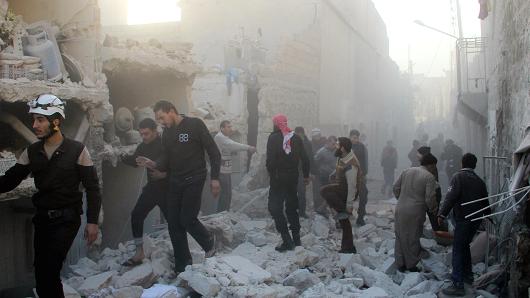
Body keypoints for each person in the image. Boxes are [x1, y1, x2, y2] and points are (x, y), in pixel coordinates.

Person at [0, 94, 101, 297]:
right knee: (42, 272)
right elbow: (10, 180)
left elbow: (92, 187)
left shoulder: (77, 150)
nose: (35, 125)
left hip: (67, 219)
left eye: (40, 120)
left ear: (56, 122)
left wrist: (92, 222)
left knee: (49, 270)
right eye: (34, 119)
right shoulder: (32, 151)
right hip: (42, 219)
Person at [138, 100, 221, 274]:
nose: (160, 122)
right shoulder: (167, 133)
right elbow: (166, 158)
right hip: (176, 181)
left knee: (187, 218)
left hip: (195, 178)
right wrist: (154, 164)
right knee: (174, 224)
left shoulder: (195, 124)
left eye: (161, 117)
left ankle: (209, 244)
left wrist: (215, 178)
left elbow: (214, 152)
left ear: (171, 111)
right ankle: (183, 264)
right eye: (158, 119)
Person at [438, 153, 490, 296]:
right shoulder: (480, 181)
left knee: (458, 249)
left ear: (462, 163)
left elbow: (451, 197)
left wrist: (442, 214)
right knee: (465, 245)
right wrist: (489, 218)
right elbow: (485, 202)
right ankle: (468, 276)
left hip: (463, 219)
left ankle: (457, 284)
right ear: (474, 165)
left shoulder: (458, 177)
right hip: (475, 221)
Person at [121, 118, 168, 266]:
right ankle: (139, 252)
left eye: (146, 134)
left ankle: (184, 253)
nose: (144, 137)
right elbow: (135, 161)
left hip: (170, 189)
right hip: (153, 189)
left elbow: (179, 166)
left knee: (175, 222)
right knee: (136, 215)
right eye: (141, 134)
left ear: (155, 131)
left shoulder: (166, 144)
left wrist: (164, 174)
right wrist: (121, 155)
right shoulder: (143, 145)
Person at [266, 114, 310, 252]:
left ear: (276, 124)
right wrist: (306, 176)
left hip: (278, 179)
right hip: (293, 179)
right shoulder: (296, 137)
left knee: (274, 207)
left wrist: (272, 175)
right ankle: (297, 240)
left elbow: (270, 161)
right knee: (292, 208)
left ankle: (287, 239)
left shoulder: (273, 138)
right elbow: (306, 159)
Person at [393, 153, 438, 272]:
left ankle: (400, 263)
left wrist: (401, 198)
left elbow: (395, 188)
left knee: (400, 235)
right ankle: (411, 264)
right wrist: (433, 209)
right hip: (416, 211)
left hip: (400, 208)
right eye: (434, 166)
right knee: (413, 236)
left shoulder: (407, 171)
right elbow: (430, 198)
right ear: (431, 165)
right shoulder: (429, 177)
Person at [320, 137, 363, 253]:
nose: (335, 146)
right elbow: (340, 166)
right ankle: (348, 247)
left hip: (347, 190)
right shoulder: (343, 156)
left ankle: (343, 211)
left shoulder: (351, 164)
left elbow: (352, 186)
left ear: (343, 148)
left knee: (326, 192)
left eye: (338, 145)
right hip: (341, 186)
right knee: (324, 190)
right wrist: (334, 173)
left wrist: (349, 205)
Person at [214, 120, 256, 212]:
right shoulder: (220, 137)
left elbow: (230, 146)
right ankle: (221, 214)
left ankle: (224, 214)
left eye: (230, 126)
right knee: (226, 194)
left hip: (226, 170)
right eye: (228, 127)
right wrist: (248, 147)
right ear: (222, 128)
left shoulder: (224, 137)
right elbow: (233, 145)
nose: (230, 129)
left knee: (227, 194)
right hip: (222, 170)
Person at [313, 135, 338, 215]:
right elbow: (314, 162)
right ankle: (324, 210)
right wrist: (317, 171)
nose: (334, 145)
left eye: (335, 143)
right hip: (324, 176)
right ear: (328, 142)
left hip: (334, 176)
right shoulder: (321, 151)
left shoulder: (337, 151)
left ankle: (323, 209)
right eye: (333, 144)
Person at [350, 129, 368, 226]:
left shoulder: (362, 147)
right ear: (350, 137)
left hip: (360, 176)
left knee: (364, 196)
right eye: (353, 137)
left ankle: (360, 217)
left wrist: (364, 173)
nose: (355, 139)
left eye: (357, 137)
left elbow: (365, 161)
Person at [294, 126, 314, 218]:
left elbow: (310, 158)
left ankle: (302, 212)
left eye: (300, 134)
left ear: (303, 134)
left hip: (303, 171)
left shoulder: (307, 144)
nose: (298, 136)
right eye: (296, 134)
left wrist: (310, 172)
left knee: (302, 192)